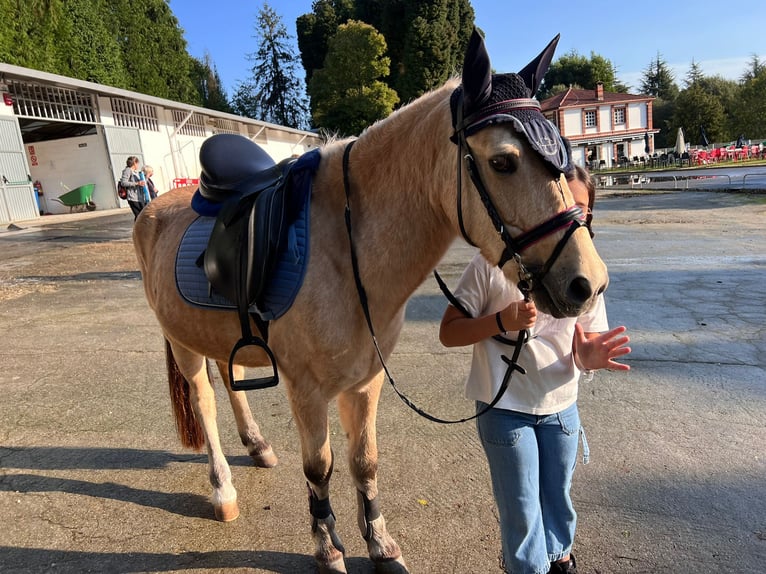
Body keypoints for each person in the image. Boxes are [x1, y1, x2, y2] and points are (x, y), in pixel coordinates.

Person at [439, 165, 631, 574]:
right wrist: (499, 322)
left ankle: (561, 559)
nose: (569, 219)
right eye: (560, 208)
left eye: (579, 209)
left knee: (557, 497)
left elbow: (584, 345)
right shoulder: (491, 265)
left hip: (562, 407)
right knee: (522, 508)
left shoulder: (588, 271)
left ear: (589, 216)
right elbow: (449, 332)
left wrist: (589, 358)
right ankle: (526, 568)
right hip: (505, 409)